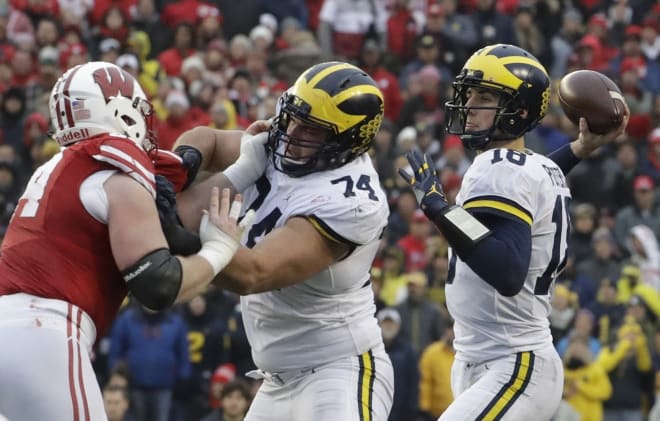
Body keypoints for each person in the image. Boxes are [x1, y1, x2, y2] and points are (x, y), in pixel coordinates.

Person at [0, 62, 254, 421]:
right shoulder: (114, 174)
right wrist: (221, 248)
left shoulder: (58, 168)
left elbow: (179, 172)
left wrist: (254, 160)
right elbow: (159, 283)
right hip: (46, 336)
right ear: (119, 110)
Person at [399, 44, 629, 420]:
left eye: (485, 96)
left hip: (512, 362)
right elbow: (531, 177)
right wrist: (579, 148)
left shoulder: (498, 167)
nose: (470, 105)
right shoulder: (535, 167)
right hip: (499, 358)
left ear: (518, 111)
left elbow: (507, 270)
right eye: (470, 93)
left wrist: (437, 207)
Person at [168, 61, 394, 420]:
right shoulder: (287, 144)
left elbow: (255, 273)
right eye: (292, 118)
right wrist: (184, 164)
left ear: (348, 140)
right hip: (275, 380)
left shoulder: (351, 200)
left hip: (336, 371)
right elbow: (206, 138)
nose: (292, 132)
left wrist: (184, 236)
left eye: (311, 129)